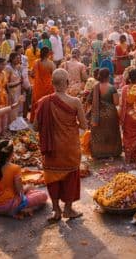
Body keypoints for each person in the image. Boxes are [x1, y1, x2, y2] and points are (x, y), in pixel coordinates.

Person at [33, 69, 87, 222]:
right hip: (69, 147)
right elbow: (84, 124)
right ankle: (68, 209)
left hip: (51, 149)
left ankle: (56, 210)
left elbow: (36, 127)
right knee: (71, 176)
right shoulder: (75, 102)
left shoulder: (43, 102)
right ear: (68, 83)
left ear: (52, 83)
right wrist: (70, 125)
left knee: (52, 178)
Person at [0, 140, 48, 219]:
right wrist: (26, 189)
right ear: (11, 154)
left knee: (29, 188)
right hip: (6, 206)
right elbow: (19, 192)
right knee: (43, 195)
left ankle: (17, 209)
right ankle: (22, 210)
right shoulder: (15, 168)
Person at [89, 67, 121, 159]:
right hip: (111, 114)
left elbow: (90, 101)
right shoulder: (112, 88)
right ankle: (112, 152)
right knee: (111, 133)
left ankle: (99, 153)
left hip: (97, 115)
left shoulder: (95, 87)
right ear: (108, 76)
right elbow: (116, 103)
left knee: (99, 134)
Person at [29, 46, 55, 122]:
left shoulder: (36, 62)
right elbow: (54, 75)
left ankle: (36, 120)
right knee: (46, 104)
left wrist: (37, 77)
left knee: (37, 103)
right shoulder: (51, 64)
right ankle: (46, 120)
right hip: (48, 87)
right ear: (48, 54)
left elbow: (31, 74)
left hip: (37, 87)